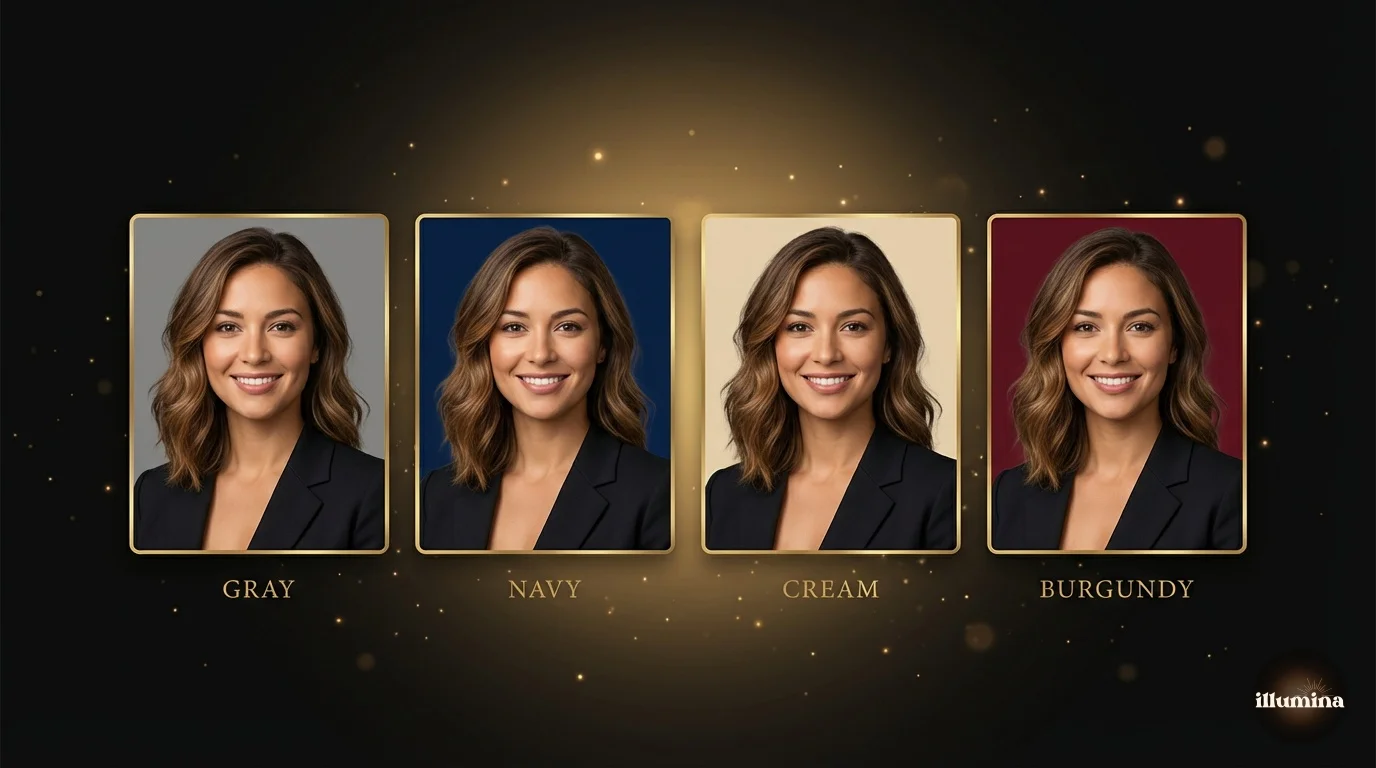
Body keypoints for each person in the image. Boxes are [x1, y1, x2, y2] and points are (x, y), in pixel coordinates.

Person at [991, 227, 1242, 551]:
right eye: (1086, 327)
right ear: (1057, 345)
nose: (1113, 354)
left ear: (1174, 345)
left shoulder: (1233, 493)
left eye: (1140, 327)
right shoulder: (1009, 494)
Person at [134, 227, 384, 551]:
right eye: (228, 327)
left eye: (281, 326)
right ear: (198, 344)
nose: (254, 354)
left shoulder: (376, 492)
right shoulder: (151, 494)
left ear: (316, 344)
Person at [706, 226, 956, 551]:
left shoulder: (947, 492)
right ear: (770, 344)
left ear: (888, 345)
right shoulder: (724, 494)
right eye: (799, 327)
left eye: (853, 327)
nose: (826, 354)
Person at [420, 227, 670, 551]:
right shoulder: (435, 495)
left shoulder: (661, 493)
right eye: (514, 327)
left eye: (567, 326)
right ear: (485, 344)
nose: (540, 354)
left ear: (602, 344)